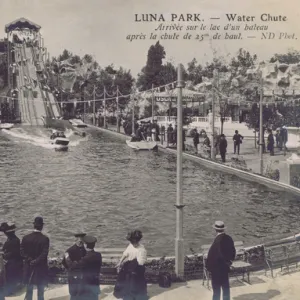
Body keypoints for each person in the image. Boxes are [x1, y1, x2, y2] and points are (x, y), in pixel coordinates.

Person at [20, 217, 49, 300]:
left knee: (29, 289)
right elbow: (44, 254)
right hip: (40, 267)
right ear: (42, 226)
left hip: (28, 266)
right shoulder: (45, 239)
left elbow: (22, 252)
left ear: (34, 226)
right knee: (40, 291)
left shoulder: (26, 238)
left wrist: (30, 260)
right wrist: (36, 261)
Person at [114, 230, 148, 300]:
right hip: (129, 266)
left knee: (133, 280)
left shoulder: (142, 249)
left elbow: (141, 263)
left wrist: (134, 262)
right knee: (124, 277)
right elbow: (125, 254)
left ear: (138, 241)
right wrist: (120, 262)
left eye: (135, 243)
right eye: (132, 243)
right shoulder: (130, 245)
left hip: (137, 268)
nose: (133, 244)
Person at [206, 221, 236, 300]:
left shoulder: (217, 241)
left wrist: (209, 267)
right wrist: (229, 262)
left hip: (216, 269)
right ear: (223, 229)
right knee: (225, 288)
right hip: (225, 267)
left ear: (215, 230)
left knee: (216, 290)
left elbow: (214, 256)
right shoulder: (229, 238)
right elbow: (233, 252)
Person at [66, 235, 102, 300]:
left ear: (85, 245)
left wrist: (67, 257)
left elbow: (73, 266)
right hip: (95, 283)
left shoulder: (86, 259)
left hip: (86, 285)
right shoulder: (98, 255)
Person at [62, 232, 87, 300]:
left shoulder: (85, 251)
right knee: (73, 294)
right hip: (73, 275)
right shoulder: (70, 251)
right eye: (79, 241)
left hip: (82, 275)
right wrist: (71, 271)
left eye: (82, 242)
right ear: (75, 241)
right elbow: (64, 262)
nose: (81, 243)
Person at [0, 223, 23, 296]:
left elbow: (13, 253)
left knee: (10, 273)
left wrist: (4, 254)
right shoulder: (13, 239)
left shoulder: (13, 241)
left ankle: (10, 289)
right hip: (14, 261)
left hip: (14, 262)